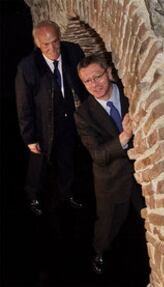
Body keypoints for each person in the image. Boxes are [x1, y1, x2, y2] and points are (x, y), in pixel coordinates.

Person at [74, 54, 145, 274]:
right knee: (108, 223)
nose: (94, 84)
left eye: (98, 76)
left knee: (149, 214)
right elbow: (98, 154)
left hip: (143, 169)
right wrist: (124, 136)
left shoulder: (129, 91)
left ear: (109, 72)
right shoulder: (83, 114)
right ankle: (100, 253)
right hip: (111, 176)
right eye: (87, 81)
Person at [15, 20, 87, 216]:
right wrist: (30, 137)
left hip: (68, 118)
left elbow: (83, 84)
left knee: (67, 158)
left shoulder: (73, 51)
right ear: (38, 44)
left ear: (60, 37)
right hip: (41, 124)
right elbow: (23, 105)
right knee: (38, 164)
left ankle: (67, 193)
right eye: (46, 44)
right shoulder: (27, 67)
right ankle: (33, 196)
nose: (52, 48)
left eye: (55, 42)